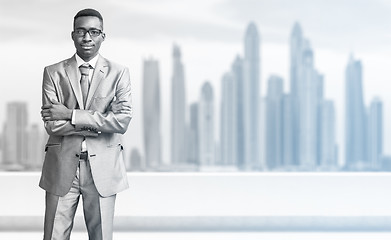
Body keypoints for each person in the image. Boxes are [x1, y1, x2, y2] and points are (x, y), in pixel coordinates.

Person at [39, 8, 132, 240]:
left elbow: (121, 122)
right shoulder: (53, 72)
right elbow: (52, 125)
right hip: (61, 168)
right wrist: (99, 124)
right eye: (81, 31)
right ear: (73, 35)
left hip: (103, 170)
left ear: (103, 36)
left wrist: (70, 114)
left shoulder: (119, 73)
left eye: (93, 31)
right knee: (54, 236)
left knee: (101, 236)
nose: (87, 38)